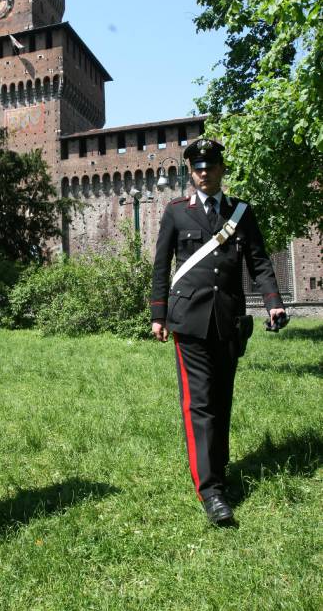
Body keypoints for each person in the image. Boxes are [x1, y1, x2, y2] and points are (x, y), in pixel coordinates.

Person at [151, 139, 287, 526]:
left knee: (222, 401)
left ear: (221, 169)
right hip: (188, 321)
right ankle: (210, 490)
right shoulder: (177, 213)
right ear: (190, 172)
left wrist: (274, 301)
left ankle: (218, 470)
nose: (204, 172)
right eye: (197, 167)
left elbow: (259, 261)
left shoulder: (241, 213)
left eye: (210, 166)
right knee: (200, 403)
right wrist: (158, 314)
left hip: (228, 320)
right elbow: (161, 266)